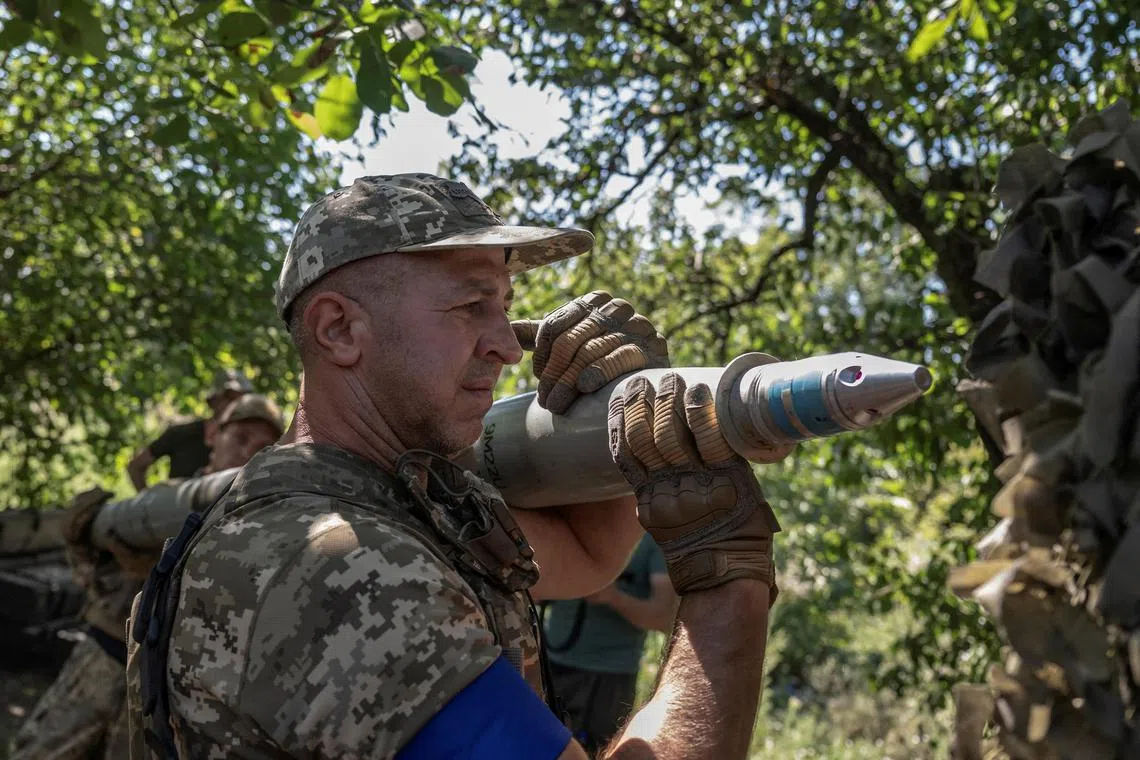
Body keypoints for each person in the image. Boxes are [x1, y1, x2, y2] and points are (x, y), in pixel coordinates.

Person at [127, 173, 780, 760]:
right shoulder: (337, 566)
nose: (506, 344)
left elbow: (586, 555)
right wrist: (727, 584)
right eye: (472, 306)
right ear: (339, 330)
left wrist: (612, 411)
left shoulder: (383, 497)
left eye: (504, 302)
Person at [10, 394, 284, 760]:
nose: (248, 452)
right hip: (103, 660)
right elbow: (88, 569)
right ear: (212, 435)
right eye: (241, 437)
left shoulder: (261, 526)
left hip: (162, 691)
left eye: (263, 447)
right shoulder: (163, 501)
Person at [543, 534, 677, 755]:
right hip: (551, 664)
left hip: (607, 676)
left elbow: (663, 618)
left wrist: (612, 596)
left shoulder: (652, 539)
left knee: (598, 751)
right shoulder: (573, 523)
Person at [125, 369, 254, 490]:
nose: (235, 404)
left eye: (241, 399)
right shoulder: (182, 434)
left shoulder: (252, 442)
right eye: (230, 397)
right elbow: (136, 467)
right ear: (214, 401)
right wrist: (152, 507)